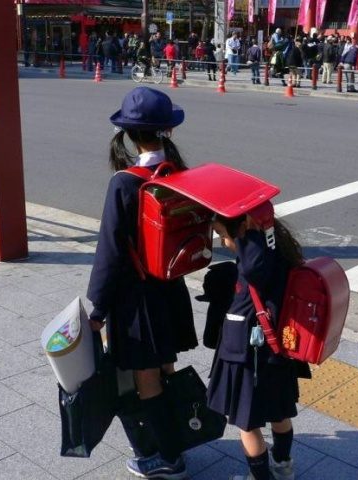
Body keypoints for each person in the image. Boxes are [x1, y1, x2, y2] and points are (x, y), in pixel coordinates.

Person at [87, 87, 197, 480]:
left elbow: (110, 251)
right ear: (168, 130)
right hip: (171, 290)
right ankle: (180, 435)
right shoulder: (177, 172)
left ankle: (169, 457)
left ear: (130, 135)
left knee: (146, 379)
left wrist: (98, 309)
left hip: (138, 301)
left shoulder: (125, 182)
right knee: (166, 368)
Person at [203, 213, 310, 480]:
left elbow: (250, 268)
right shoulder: (276, 246)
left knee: (246, 423)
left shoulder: (254, 259)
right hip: (276, 349)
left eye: (223, 234)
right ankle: (283, 466)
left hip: (248, 353)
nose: (222, 241)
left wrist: (247, 234)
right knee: (279, 412)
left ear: (243, 228)